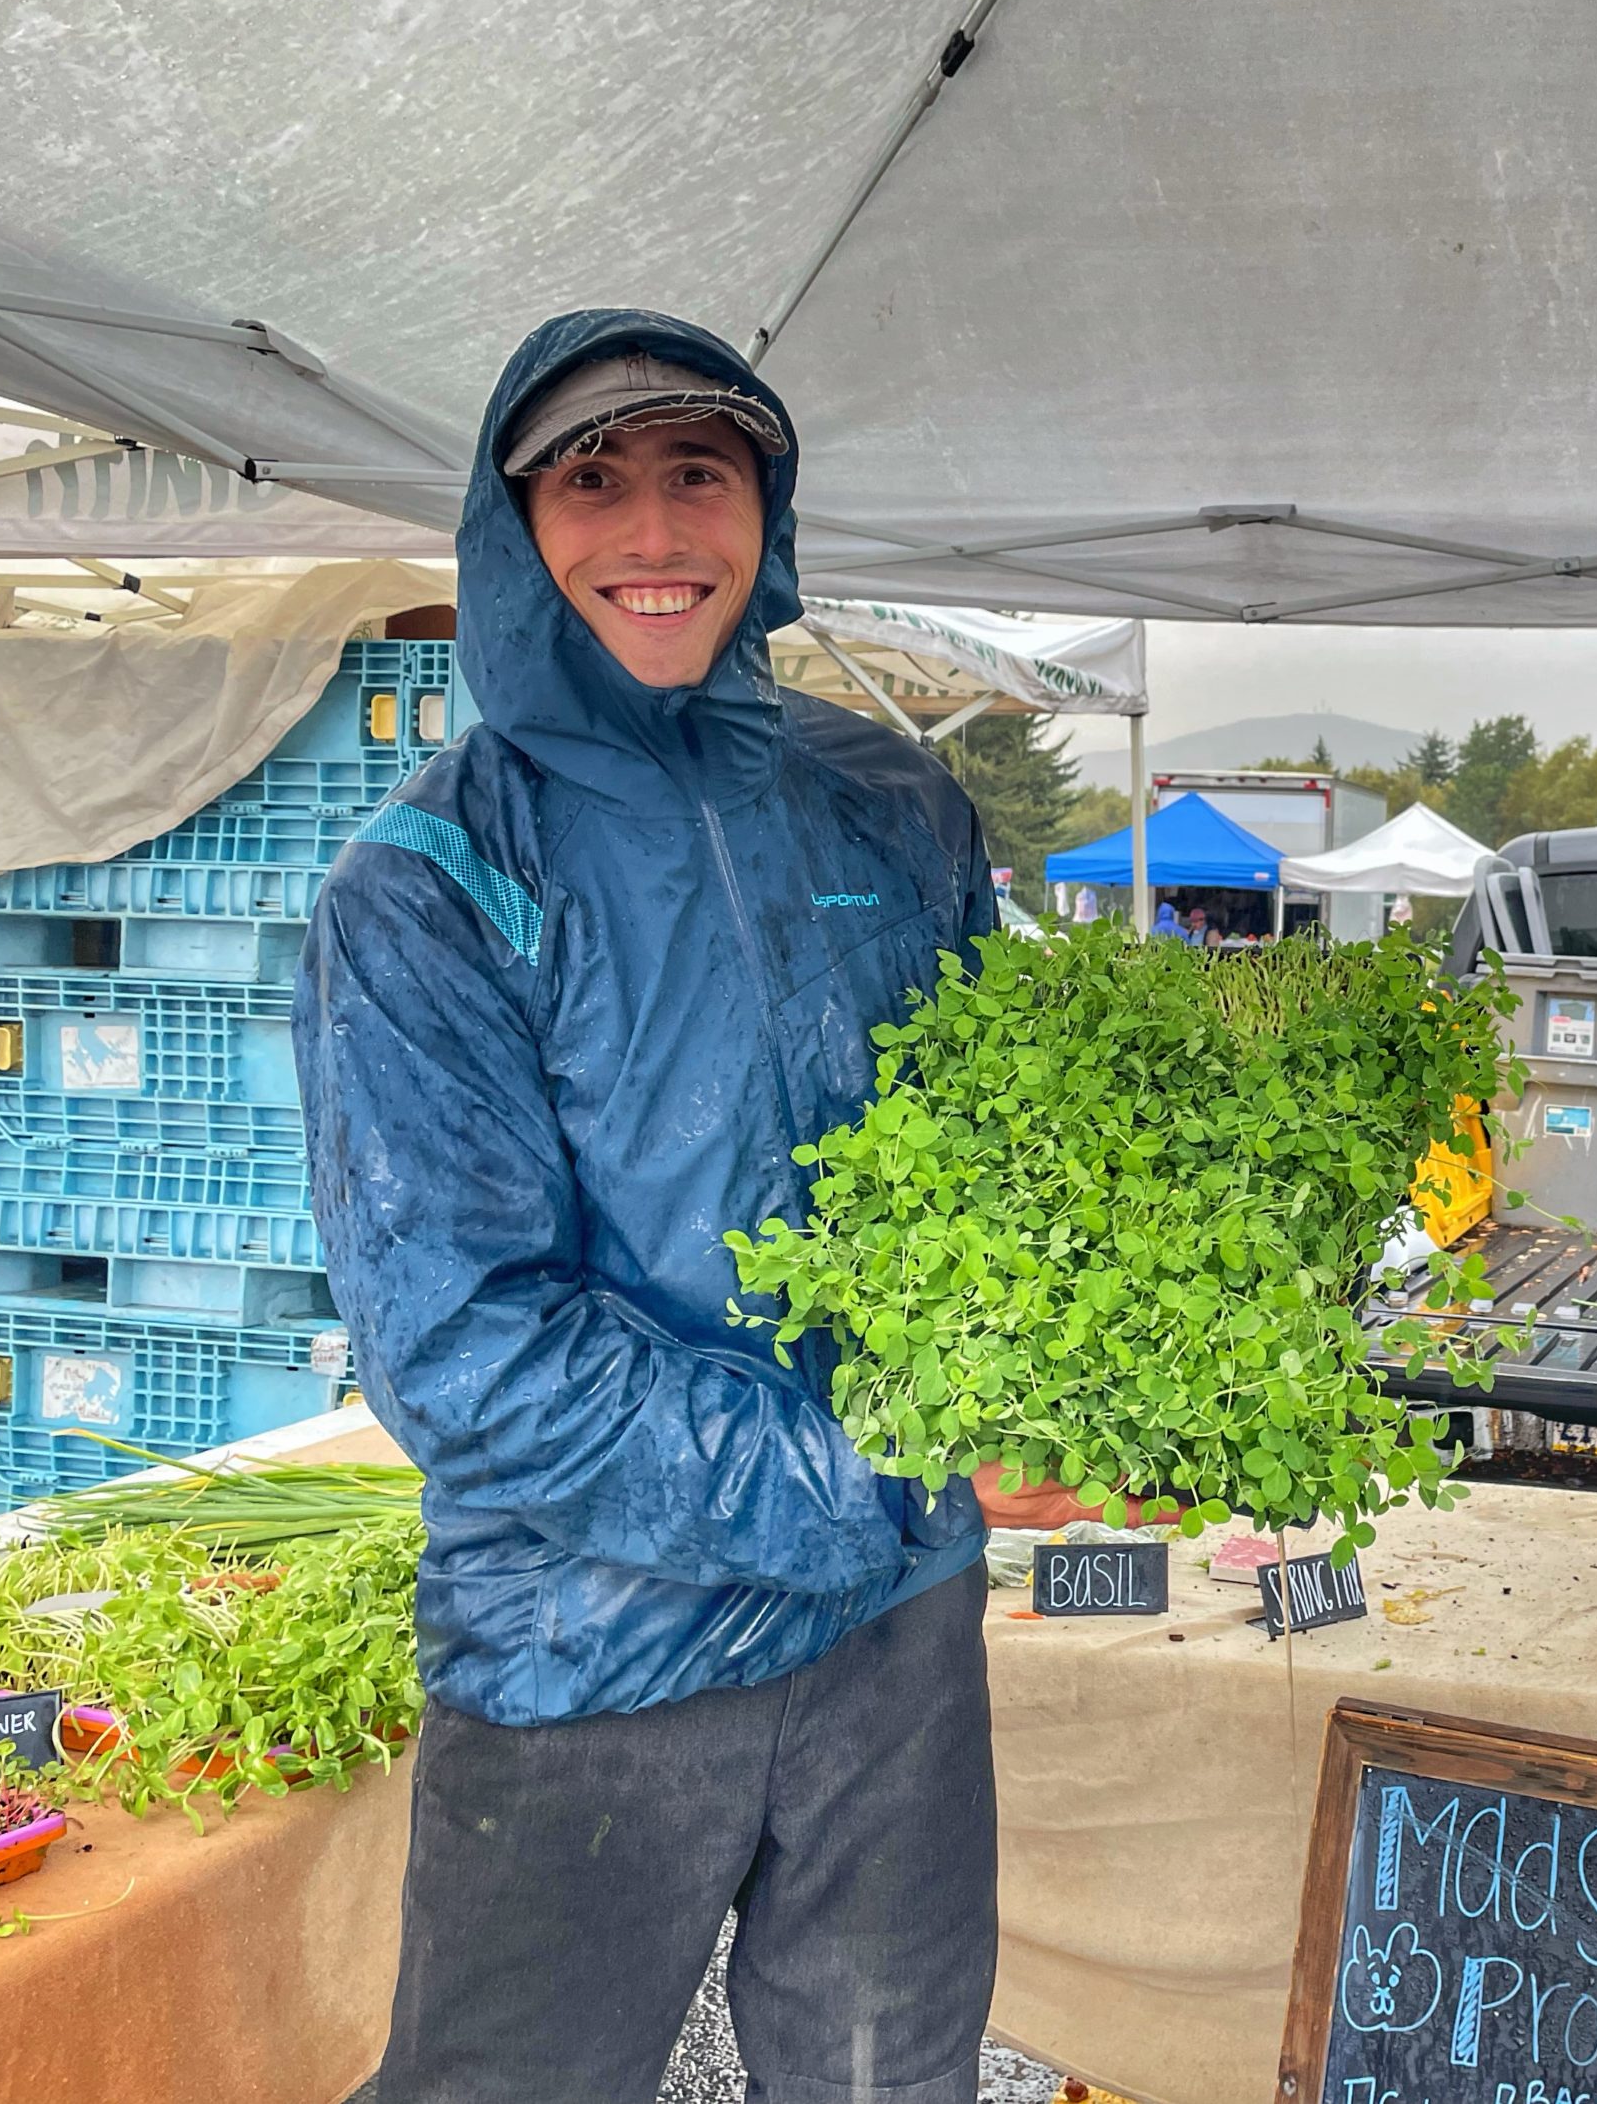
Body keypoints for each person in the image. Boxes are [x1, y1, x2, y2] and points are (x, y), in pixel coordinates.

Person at [294, 311, 1035, 2104]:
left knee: (891, 2080)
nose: (652, 531)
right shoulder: (432, 880)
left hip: (895, 1641)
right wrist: (874, 1471)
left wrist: (1066, 1385)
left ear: (764, 511)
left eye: (697, 472)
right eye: (592, 481)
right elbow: (465, 1350)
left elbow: (1006, 1168)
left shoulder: (892, 803)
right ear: (513, 525)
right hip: (587, 1653)